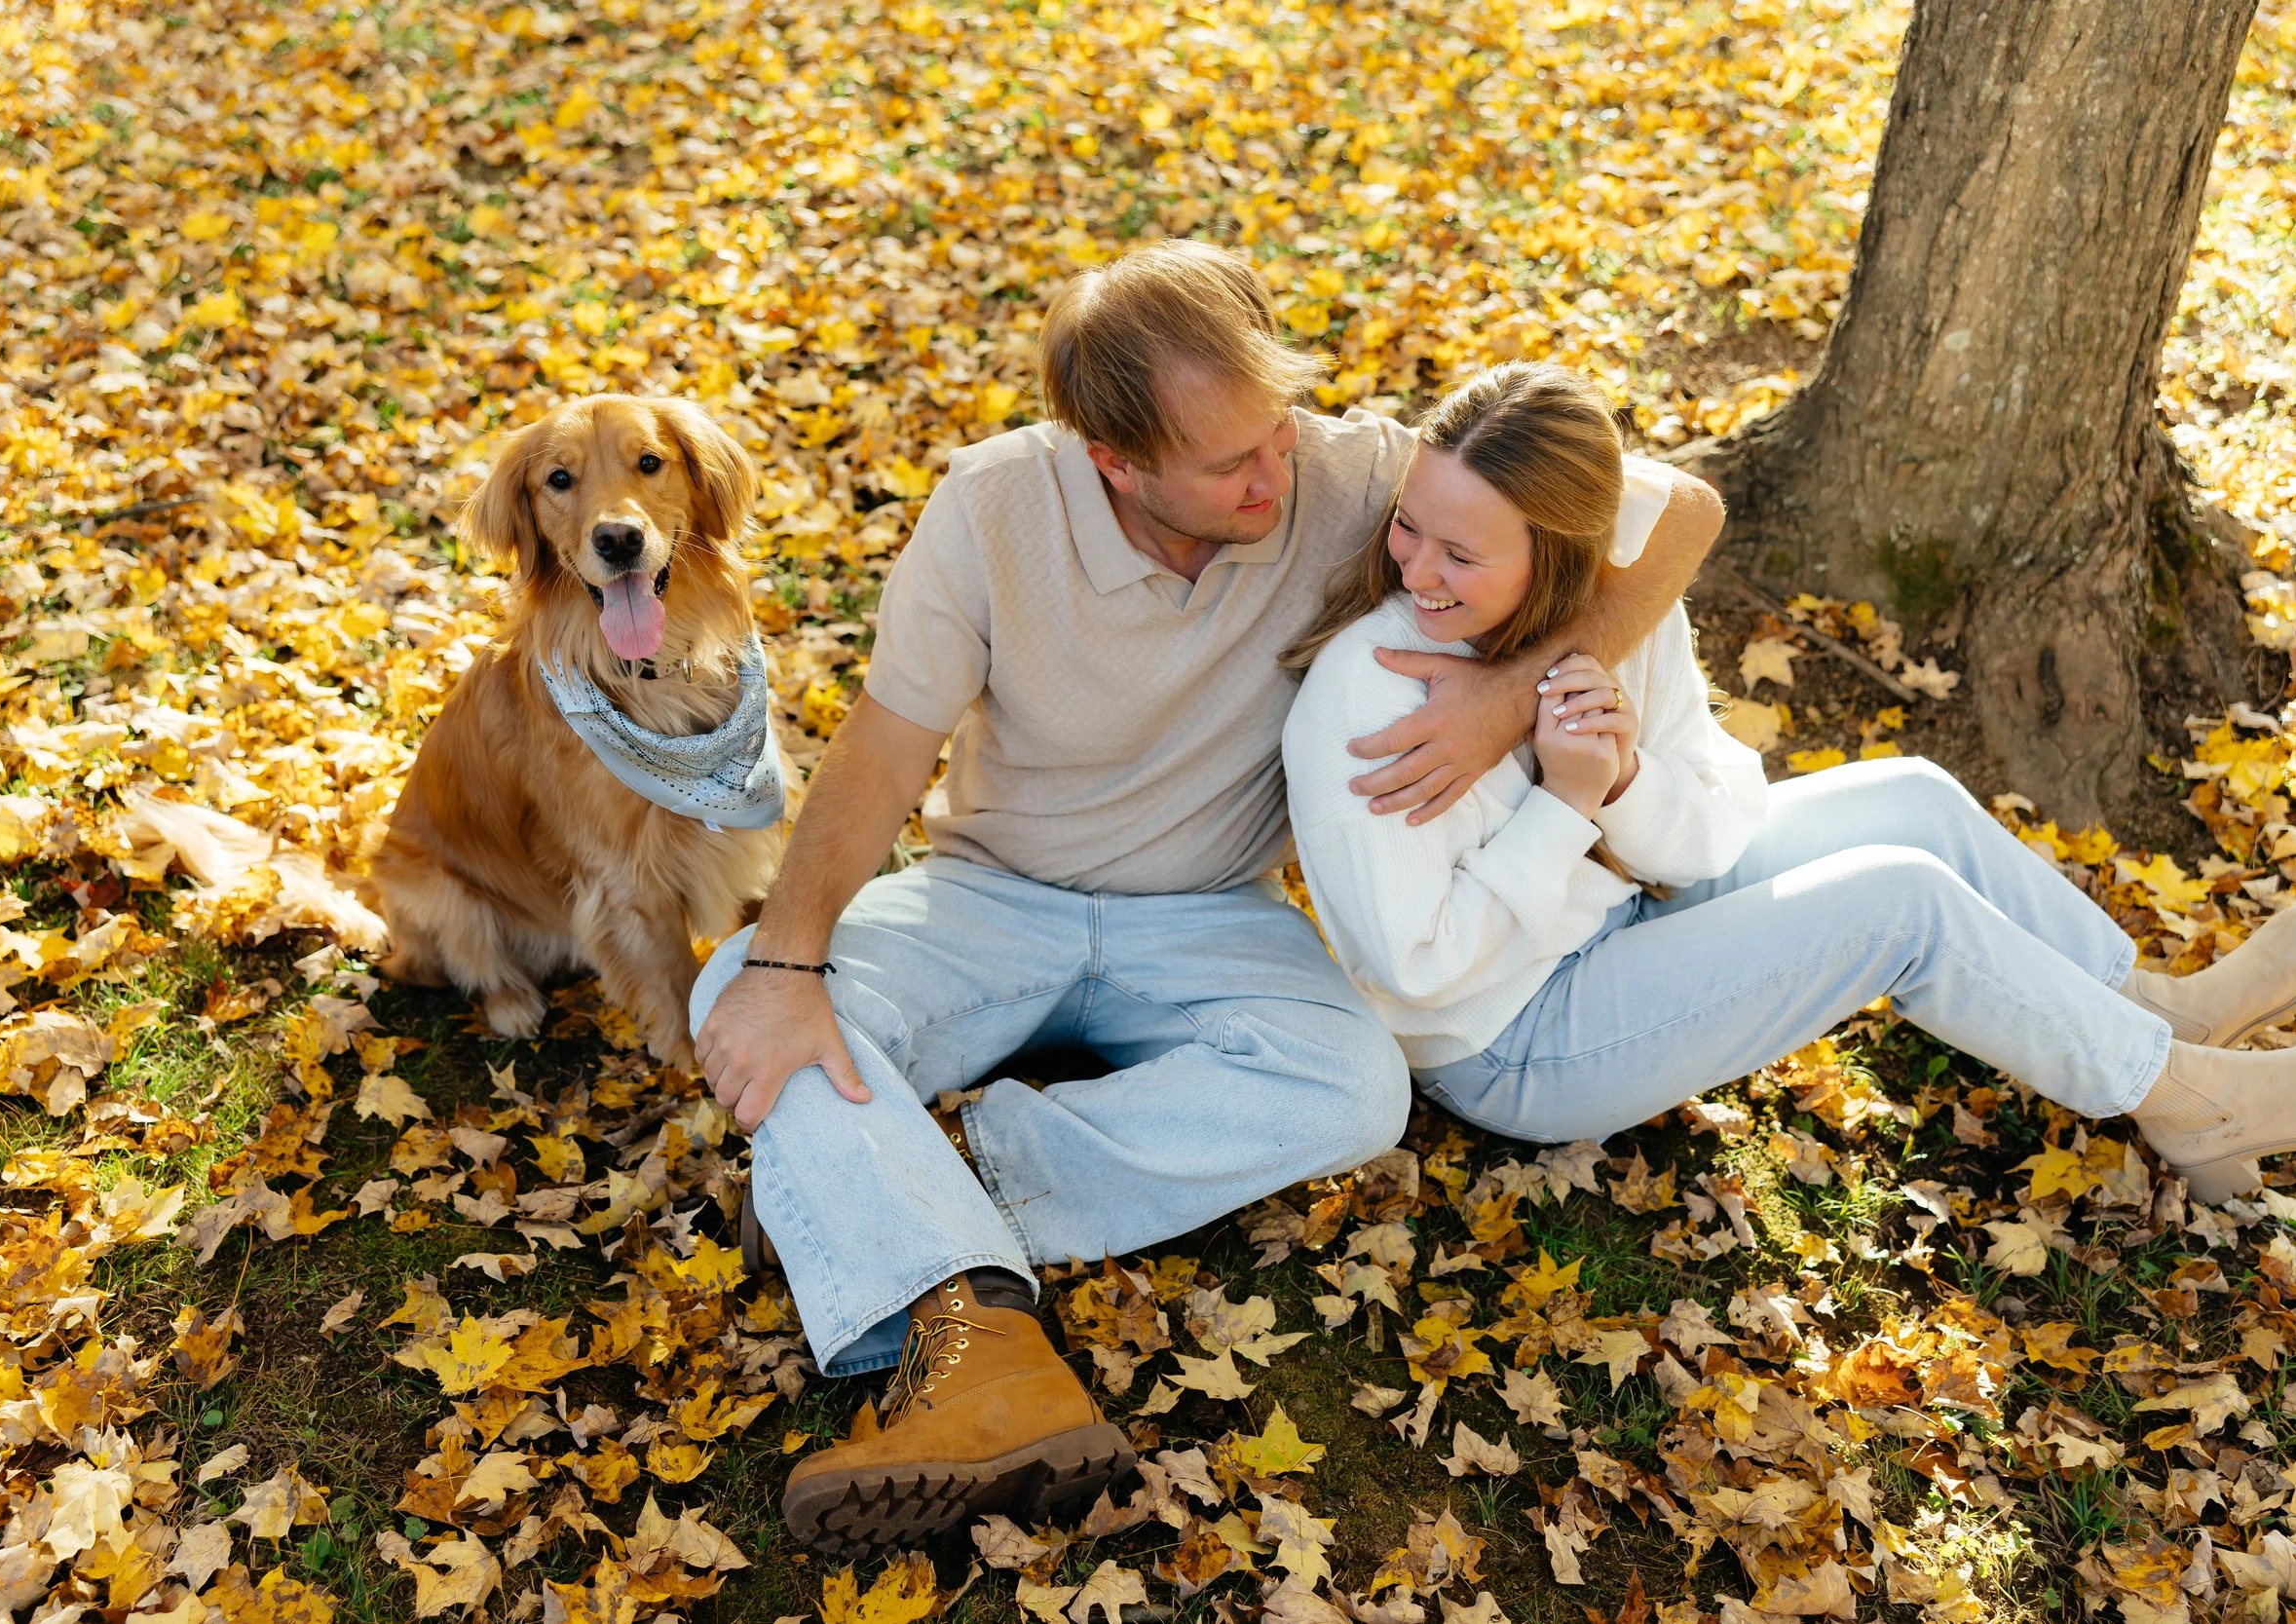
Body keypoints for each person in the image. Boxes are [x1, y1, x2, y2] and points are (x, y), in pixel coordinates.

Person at [688, 245, 1720, 1554]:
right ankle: (981, 1357)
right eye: (1231, 462)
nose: (1275, 477)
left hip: (1215, 911)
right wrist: (787, 960)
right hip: (992, 893)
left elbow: (1683, 508)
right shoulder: (995, 506)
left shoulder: (1348, 474)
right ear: (1116, 460)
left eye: (1276, 431)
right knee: (745, 982)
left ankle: (929, 1197)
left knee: (1356, 1085)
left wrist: (1514, 691)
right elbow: (888, 743)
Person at [1282, 360, 2296, 1219]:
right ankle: (2177, 1094)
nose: (1415, 568)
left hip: (1629, 914)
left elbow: (1711, 832)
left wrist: (1624, 778)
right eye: (1410, 527)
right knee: (1899, 901)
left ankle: (2162, 1020)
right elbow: (1418, 973)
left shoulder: (1614, 617)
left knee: (1913, 796)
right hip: (1513, 1037)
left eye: (1462, 553)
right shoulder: (1373, 699)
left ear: (1566, 555)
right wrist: (1561, 807)